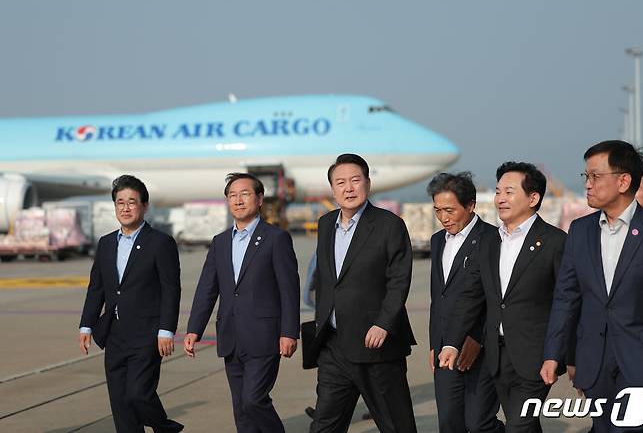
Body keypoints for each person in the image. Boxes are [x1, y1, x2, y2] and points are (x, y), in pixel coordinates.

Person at [439, 162, 566, 433]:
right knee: (479, 423)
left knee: (519, 425)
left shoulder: (555, 242)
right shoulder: (489, 241)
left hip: (535, 356)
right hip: (494, 353)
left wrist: (558, 355)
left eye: (509, 192)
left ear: (533, 198)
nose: (500, 199)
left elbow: (567, 303)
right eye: (498, 192)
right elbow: (471, 296)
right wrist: (451, 342)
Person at [541, 140, 643, 433]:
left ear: (623, 181)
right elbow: (566, 297)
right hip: (593, 357)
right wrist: (554, 353)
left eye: (595, 176)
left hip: (640, 357)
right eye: (586, 177)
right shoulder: (580, 231)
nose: (588, 185)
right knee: (603, 427)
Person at [309, 153, 417, 433]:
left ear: (368, 183)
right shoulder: (325, 224)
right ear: (332, 189)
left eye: (355, 180)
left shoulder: (389, 225)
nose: (348, 188)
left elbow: (399, 280)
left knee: (396, 425)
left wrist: (383, 323)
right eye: (340, 182)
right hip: (334, 347)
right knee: (324, 425)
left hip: (376, 346)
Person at [184, 172, 300, 433]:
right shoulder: (220, 242)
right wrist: (194, 329)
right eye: (232, 195)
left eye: (244, 194)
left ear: (259, 199)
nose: (238, 200)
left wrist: (289, 332)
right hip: (231, 336)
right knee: (241, 408)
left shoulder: (275, 238)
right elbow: (207, 289)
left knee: (254, 400)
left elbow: (289, 289)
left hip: (265, 336)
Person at [78, 175, 183, 433]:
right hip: (114, 334)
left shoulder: (160, 243)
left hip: (147, 333)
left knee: (138, 393)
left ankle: (165, 427)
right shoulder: (105, 244)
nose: (125, 208)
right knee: (121, 405)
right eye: (120, 202)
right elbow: (96, 288)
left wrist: (166, 330)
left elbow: (171, 289)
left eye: (132, 202)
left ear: (144, 206)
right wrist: (86, 326)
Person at [427, 172, 504, 433]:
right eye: (438, 210)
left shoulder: (492, 239)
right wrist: (434, 342)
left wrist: (478, 337)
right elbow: (438, 297)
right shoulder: (438, 241)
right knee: (449, 421)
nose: (444, 217)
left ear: (470, 205)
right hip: (444, 347)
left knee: (479, 423)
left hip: (479, 348)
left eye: (450, 210)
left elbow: (496, 299)